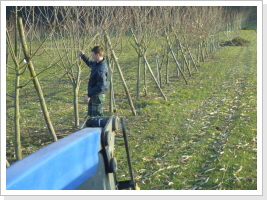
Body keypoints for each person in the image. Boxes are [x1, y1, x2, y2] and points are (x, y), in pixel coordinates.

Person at [79, 46, 108, 117]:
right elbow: (90, 63)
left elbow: (101, 86)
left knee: (96, 118)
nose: (91, 56)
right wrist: (83, 55)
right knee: (91, 116)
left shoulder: (101, 69)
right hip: (94, 94)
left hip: (97, 96)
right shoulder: (97, 64)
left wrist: (89, 95)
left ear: (97, 55)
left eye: (92, 55)